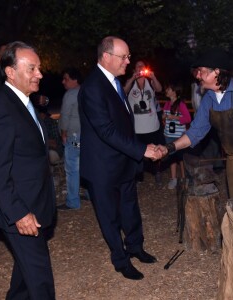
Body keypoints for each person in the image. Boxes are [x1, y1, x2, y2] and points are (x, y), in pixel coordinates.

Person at [78, 36, 159, 281]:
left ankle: (135, 247)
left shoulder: (113, 82)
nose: (128, 61)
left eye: (128, 56)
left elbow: (123, 123)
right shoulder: (92, 86)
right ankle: (120, 260)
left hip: (123, 161)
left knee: (129, 208)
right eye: (123, 57)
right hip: (102, 167)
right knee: (109, 216)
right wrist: (141, 149)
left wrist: (133, 152)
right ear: (106, 57)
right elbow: (106, 130)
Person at [0, 41, 56, 300]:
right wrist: (19, 213)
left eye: (39, 68)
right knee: (41, 281)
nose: (40, 74)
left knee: (24, 279)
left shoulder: (23, 101)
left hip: (35, 204)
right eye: (32, 68)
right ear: (10, 72)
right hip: (21, 211)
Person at [156, 48, 233, 199]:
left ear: (216, 72)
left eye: (201, 71)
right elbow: (194, 133)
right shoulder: (208, 99)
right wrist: (168, 148)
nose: (197, 76)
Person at [124, 60, 164, 183]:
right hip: (137, 128)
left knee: (156, 151)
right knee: (137, 153)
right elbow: (123, 92)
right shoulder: (131, 84)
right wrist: (132, 79)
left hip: (152, 126)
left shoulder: (150, 82)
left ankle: (157, 172)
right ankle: (137, 175)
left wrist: (153, 77)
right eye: (138, 66)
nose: (140, 67)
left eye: (142, 65)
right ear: (134, 69)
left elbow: (159, 88)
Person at [57, 67, 83, 210]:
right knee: (87, 166)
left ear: (74, 79)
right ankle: (91, 193)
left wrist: (63, 133)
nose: (63, 82)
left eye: (66, 78)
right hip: (87, 137)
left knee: (72, 168)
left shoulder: (71, 94)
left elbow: (65, 116)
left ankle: (73, 201)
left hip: (74, 138)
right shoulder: (87, 91)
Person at [163, 82, 191, 189]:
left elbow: (188, 119)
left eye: (169, 89)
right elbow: (164, 117)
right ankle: (173, 179)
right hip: (168, 135)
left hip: (179, 136)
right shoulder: (167, 104)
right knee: (171, 158)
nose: (167, 91)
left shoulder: (181, 104)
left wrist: (174, 118)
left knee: (181, 158)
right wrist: (164, 117)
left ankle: (184, 179)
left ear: (175, 92)